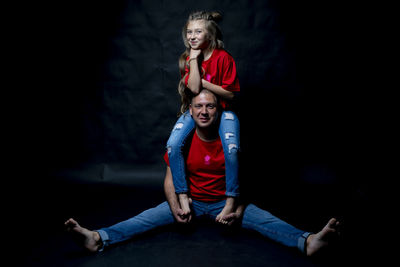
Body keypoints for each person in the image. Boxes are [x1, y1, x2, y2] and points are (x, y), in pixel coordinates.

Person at [65, 89, 340, 256]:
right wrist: (175, 207)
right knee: (144, 218)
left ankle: (309, 241)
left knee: (267, 221)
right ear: (191, 110)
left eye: (210, 106)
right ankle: (97, 238)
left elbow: (246, 180)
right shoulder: (181, 142)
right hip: (191, 201)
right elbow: (171, 178)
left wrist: (236, 209)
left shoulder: (231, 140)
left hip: (225, 204)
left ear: (218, 111)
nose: (204, 111)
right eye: (199, 106)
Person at [166, 11, 240, 223]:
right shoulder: (188, 58)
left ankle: (230, 201)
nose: (192, 36)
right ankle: (182, 194)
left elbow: (230, 94)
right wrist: (193, 60)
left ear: (210, 35)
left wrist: (206, 84)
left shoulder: (223, 58)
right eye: (189, 32)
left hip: (223, 110)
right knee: (173, 144)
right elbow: (193, 88)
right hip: (196, 111)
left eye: (198, 31)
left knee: (232, 150)